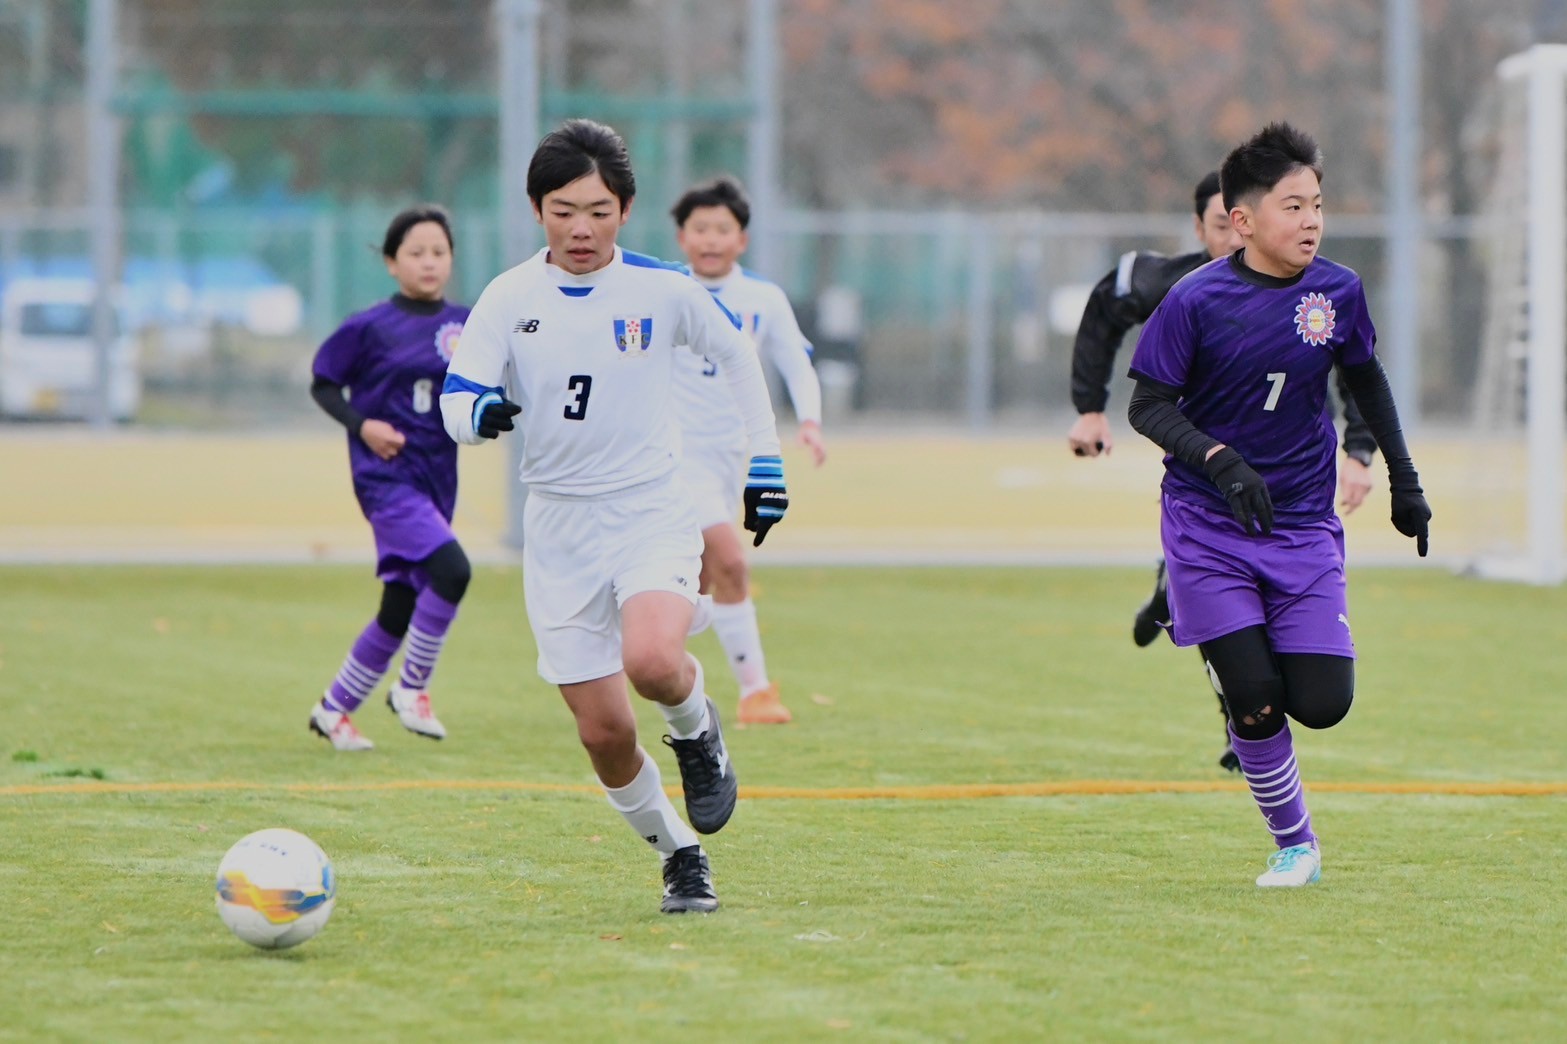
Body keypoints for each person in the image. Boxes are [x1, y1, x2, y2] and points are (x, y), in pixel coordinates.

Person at [440, 119, 788, 914]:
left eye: (598, 211)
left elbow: (737, 357)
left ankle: (697, 732)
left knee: (654, 661)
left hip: (649, 511)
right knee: (603, 734)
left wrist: (764, 463)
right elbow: (458, 398)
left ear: (624, 211)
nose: (581, 228)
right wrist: (480, 416)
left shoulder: (664, 290)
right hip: (558, 531)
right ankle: (680, 854)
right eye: (563, 211)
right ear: (537, 209)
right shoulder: (508, 297)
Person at [1126, 122, 1430, 887]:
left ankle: (1210, 634)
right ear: (1242, 220)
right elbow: (1147, 406)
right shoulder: (1194, 300)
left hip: (1299, 526)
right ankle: (1296, 846)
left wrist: (1403, 480)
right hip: (1206, 525)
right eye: (1292, 207)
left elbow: (1366, 381)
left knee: (1323, 703)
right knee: (1256, 699)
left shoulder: (1337, 291)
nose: (1310, 221)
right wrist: (1218, 460)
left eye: (1316, 205)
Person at [1068, 171, 1379, 773]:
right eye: (1221, 227)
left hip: (1290, 494)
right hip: (1204, 487)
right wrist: (1088, 407)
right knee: (1233, 633)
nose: (1236, 242)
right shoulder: (1181, 289)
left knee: (1315, 687)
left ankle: (1176, 595)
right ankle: (1239, 718)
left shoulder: (1310, 292)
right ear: (1204, 227)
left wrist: (1360, 451)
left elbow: (1357, 371)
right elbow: (1107, 307)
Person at [307, 205, 473, 751]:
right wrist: (363, 426)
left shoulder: (469, 324)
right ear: (390, 262)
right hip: (386, 480)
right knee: (452, 570)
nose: (429, 262)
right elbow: (323, 383)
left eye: (439, 252)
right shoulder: (369, 326)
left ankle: (333, 709)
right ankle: (412, 688)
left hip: (436, 477)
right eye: (415, 252)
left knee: (399, 606)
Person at [669, 175, 826, 726]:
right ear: (682, 237)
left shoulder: (763, 299)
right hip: (672, 456)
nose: (711, 239)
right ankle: (755, 692)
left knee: (695, 582)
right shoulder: (665, 292)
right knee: (731, 561)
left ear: (742, 239)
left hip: (729, 458)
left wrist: (811, 421)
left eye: (722, 229)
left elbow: (796, 364)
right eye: (700, 228)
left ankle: (649, 665)